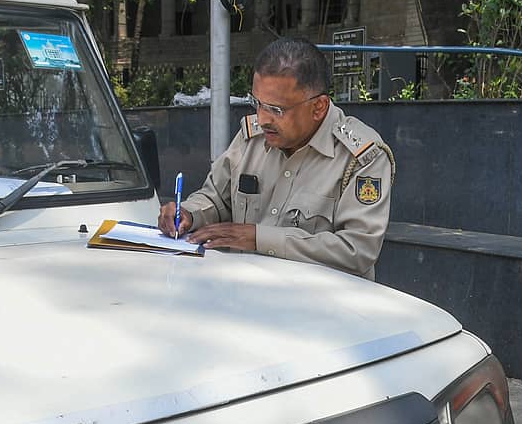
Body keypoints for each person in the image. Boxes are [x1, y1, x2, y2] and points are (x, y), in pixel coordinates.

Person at [158, 37, 394, 279]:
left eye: (277, 109)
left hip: (320, 308)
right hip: (242, 295)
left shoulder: (361, 157)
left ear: (319, 107)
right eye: (258, 103)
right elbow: (216, 198)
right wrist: (188, 213)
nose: (263, 118)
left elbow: (357, 250)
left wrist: (258, 238)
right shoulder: (253, 138)